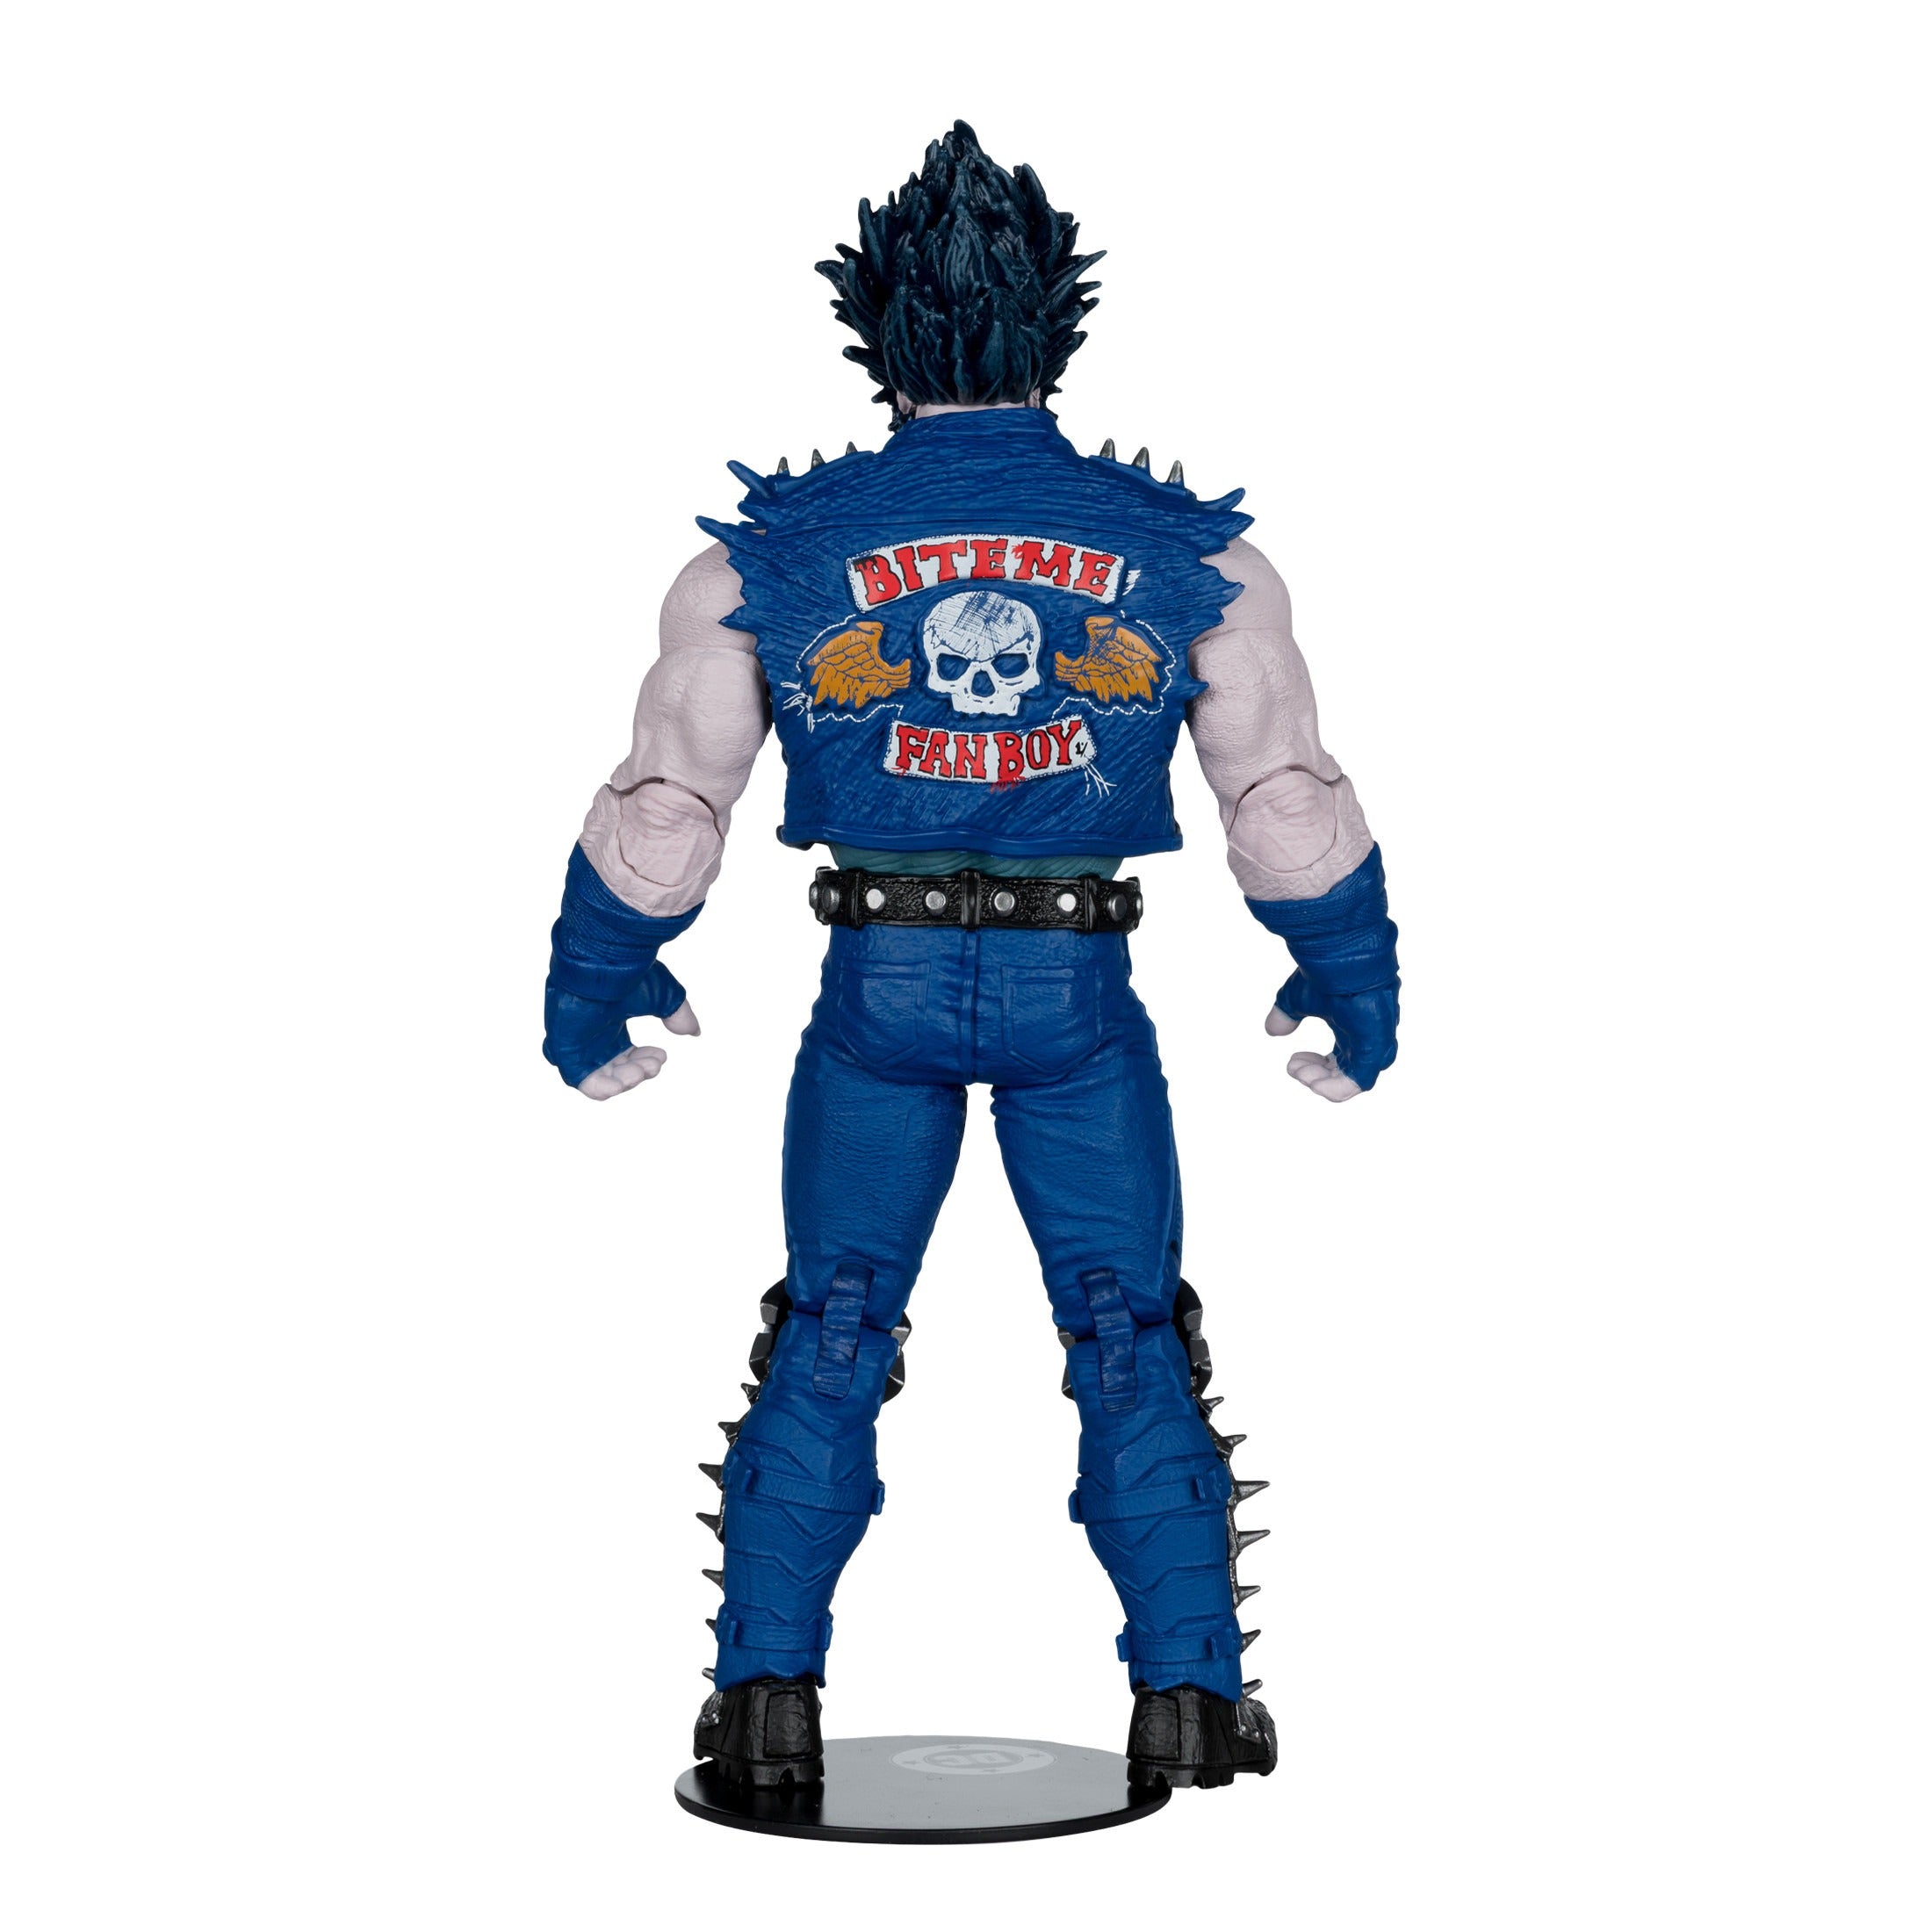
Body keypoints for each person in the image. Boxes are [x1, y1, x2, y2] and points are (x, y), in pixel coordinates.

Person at [542, 123, 1400, 1792]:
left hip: (875, 988)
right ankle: (1190, 1700)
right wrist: (1351, 970)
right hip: (1078, 998)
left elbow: (669, 800)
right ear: (1057, 325)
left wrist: (595, 977)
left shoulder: (766, 560)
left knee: (835, 1322)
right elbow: (1284, 795)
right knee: (1125, 1324)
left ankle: (765, 1708)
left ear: (872, 330)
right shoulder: (1192, 559)